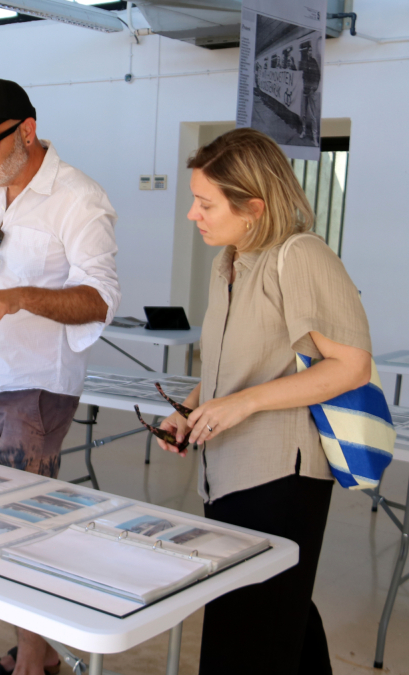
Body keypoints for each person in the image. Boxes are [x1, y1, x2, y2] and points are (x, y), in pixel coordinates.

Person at [156, 127, 372, 675]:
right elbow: (233, 362)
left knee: (252, 629)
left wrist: (243, 405)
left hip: (282, 476)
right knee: (277, 616)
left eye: (205, 203)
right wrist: (191, 408)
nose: (192, 214)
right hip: (228, 468)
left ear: (253, 206)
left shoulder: (301, 256)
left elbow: (351, 366)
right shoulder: (228, 261)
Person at [0, 78, 121, 675]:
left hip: (38, 384)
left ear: (28, 129)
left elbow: (99, 299)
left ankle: (32, 666)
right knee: (2, 525)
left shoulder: (78, 197)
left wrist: (17, 296)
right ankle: (34, 657)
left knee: (26, 528)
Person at [299, 40, 321, 144]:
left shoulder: (314, 62)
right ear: (306, 52)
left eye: (311, 50)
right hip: (304, 91)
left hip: (311, 92)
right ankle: (303, 131)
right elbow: (300, 76)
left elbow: (318, 76)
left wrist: (314, 88)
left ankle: (315, 137)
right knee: (303, 114)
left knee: (313, 116)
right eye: (309, 51)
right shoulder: (303, 63)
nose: (310, 52)